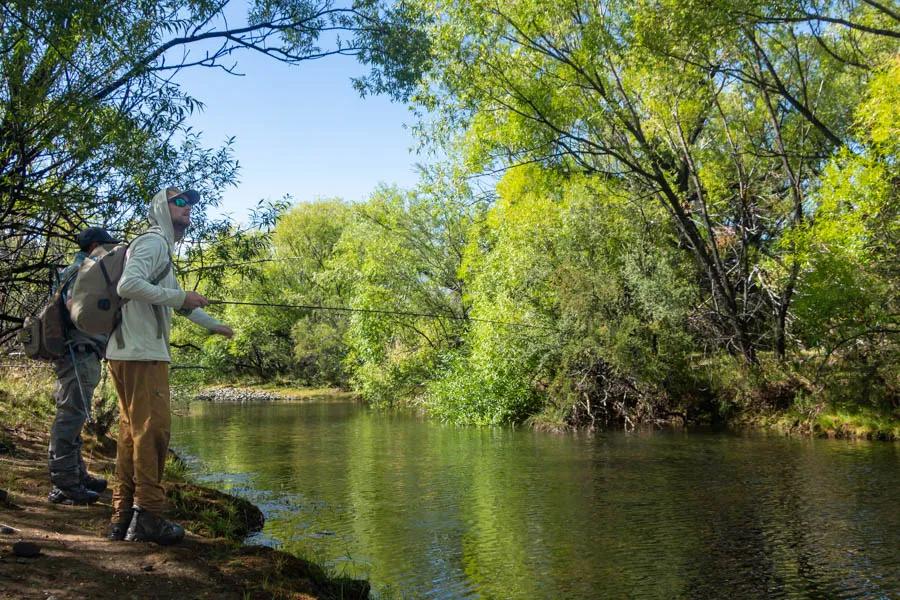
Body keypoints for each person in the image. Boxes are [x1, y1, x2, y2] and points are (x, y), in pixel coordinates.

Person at [105, 187, 233, 544]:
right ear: (161, 208)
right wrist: (179, 296)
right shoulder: (153, 243)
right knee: (153, 432)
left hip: (127, 352)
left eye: (190, 205)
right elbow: (129, 285)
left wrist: (214, 325)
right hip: (142, 354)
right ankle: (148, 517)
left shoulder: (159, 250)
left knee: (132, 433)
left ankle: (123, 516)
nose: (187, 209)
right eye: (179, 203)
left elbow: (181, 304)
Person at [47, 227, 121, 505]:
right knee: (71, 417)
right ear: (94, 246)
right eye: (105, 246)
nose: (109, 252)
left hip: (75, 353)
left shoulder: (72, 270)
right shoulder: (83, 273)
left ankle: (76, 474)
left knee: (74, 414)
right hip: (79, 353)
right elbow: (78, 313)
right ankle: (64, 484)